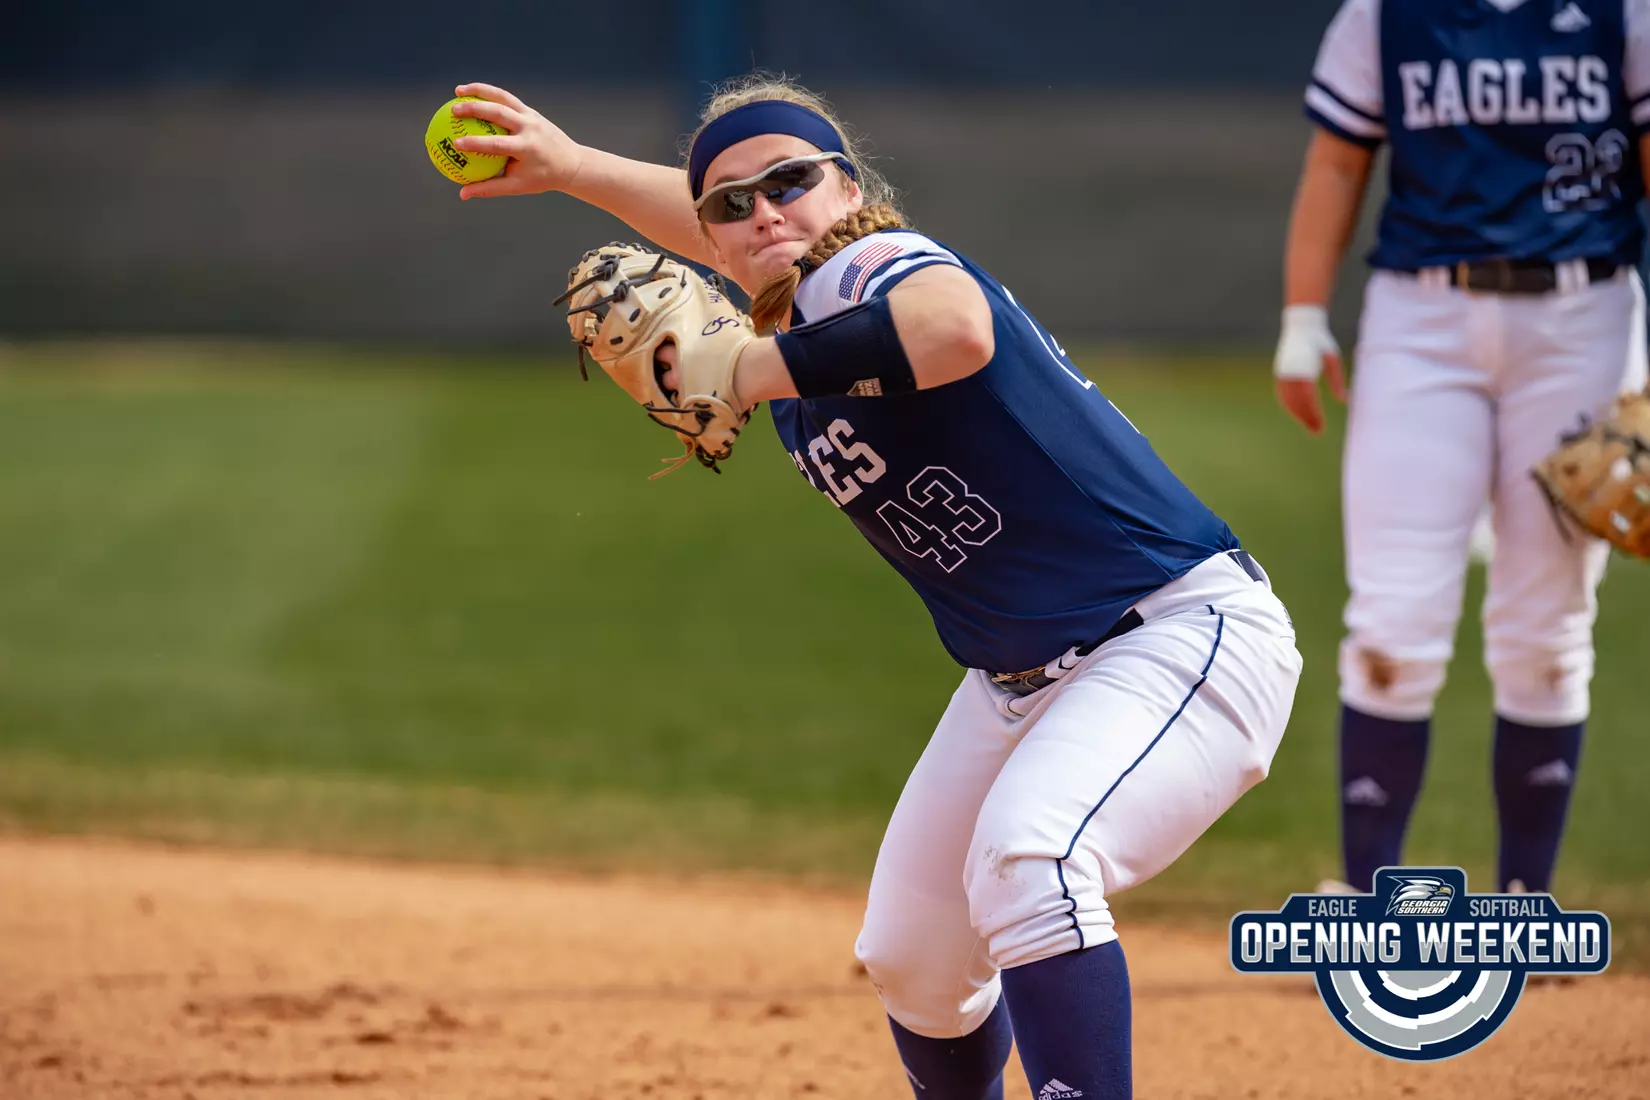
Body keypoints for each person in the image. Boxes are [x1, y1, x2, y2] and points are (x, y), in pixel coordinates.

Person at [450, 74, 1302, 1100]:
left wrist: (742, 367)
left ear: (848, 189)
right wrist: (576, 169)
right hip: (1019, 681)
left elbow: (954, 329)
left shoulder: (872, 265)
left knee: (1033, 860)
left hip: (1175, 632)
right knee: (913, 955)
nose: (764, 209)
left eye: (792, 179)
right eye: (728, 201)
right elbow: (747, 239)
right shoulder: (792, 306)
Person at [1275, 0, 1650, 896]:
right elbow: (1337, 159)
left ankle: (1528, 898)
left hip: (1583, 319)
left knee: (1547, 626)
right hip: (1423, 318)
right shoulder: (1386, 10)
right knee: (1393, 618)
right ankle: (1369, 898)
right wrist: (1301, 313)